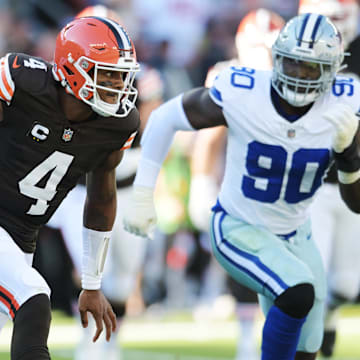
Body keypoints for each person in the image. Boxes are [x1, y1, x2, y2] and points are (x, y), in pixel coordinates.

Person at [123, 13, 360, 360]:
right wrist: (143, 192)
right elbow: (165, 117)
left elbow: (356, 204)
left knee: (307, 345)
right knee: (297, 290)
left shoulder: (345, 103)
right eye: (292, 64)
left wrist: (350, 155)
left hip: (296, 233)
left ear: (332, 71)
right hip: (238, 226)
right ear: (276, 58)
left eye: (310, 68)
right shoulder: (245, 92)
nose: (299, 76)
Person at [0, 15, 141, 360]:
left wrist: (92, 283)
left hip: (21, 235)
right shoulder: (22, 81)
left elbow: (101, 198)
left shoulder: (117, 124)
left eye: (121, 74)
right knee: (33, 297)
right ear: (72, 67)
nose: (117, 83)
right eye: (106, 72)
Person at [188, 8, 285, 360]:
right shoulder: (231, 76)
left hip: (284, 185)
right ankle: (248, 338)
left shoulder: (293, 75)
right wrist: (200, 183)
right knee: (249, 264)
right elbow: (210, 136)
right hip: (241, 183)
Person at [298, 0, 360, 357]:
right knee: (313, 277)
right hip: (314, 184)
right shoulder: (299, 50)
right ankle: (306, 342)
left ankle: (331, 316)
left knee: (346, 286)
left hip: (354, 181)